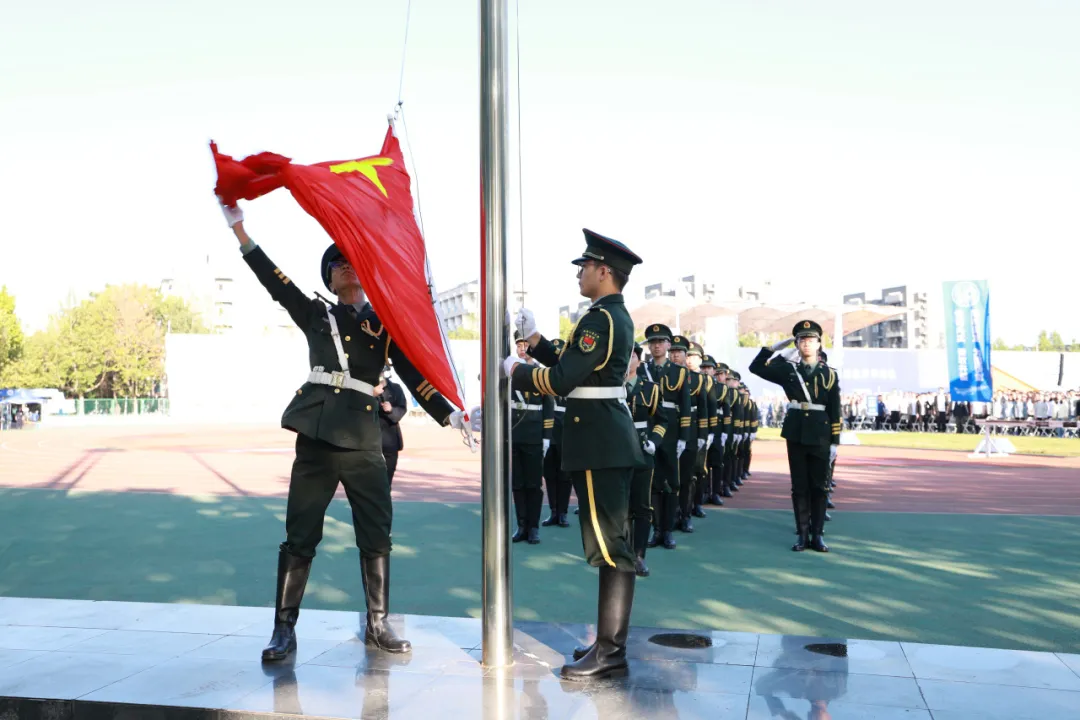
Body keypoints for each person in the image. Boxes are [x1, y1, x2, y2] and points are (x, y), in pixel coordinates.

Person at [218, 199, 468, 662]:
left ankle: (378, 624)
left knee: (376, 532)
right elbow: (275, 281)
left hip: (364, 439)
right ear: (329, 280)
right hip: (316, 435)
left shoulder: (384, 324)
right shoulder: (316, 314)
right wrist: (241, 232)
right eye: (338, 265)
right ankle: (284, 629)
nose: (347, 269)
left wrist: (449, 414)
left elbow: (414, 373)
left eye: (353, 262)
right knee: (300, 533)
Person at [507, 228, 644, 680]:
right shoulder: (608, 316)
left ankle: (611, 653)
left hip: (598, 440)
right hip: (602, 437)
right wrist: (535, 338)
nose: (579, 274)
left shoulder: (599, 319)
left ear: (604, 271)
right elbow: (573, 364)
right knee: (609, 544)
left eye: (584, 267)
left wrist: (516, 370)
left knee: (610, 547)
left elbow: (563, 380)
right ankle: (607, 644)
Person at [749, 320, 841, 553]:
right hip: (796, 432)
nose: (806, 343)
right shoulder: (788, 370)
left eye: (811, 340)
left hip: (821, 434)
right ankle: (802, 534)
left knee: (820, 487)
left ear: (819, 344)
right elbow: (756, 367)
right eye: (802, 340)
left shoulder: (830, 374)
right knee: (799, 486)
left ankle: (817, 535)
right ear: (797, 344)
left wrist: (835, 442)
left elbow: (835, 409)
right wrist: (774, 349)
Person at [638, 325, 690, 549]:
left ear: (668, 344)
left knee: (671, 481)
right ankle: (656, 528)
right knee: (651, 481)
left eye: (660, 341)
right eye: (652, 342)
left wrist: (684, 437)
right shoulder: (642, 369)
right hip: (647, 428)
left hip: (670, 431)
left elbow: (685, 406)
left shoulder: (679, 372)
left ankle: (667, 530)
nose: (656, 346)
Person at [625, 345, 669, 577]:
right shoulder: (609, 387)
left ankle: (639, 555)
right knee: (618, 507)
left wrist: (654, 441)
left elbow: (662, 420)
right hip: (615, 452)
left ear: (639, 361)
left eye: (632, 356)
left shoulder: (650, 389)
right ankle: (620, 553)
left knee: (642, 506)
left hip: (642, 451)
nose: (627, 360)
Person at [510, 332, 554, 544]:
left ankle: (534, 527)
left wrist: (546, 436)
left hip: (534, 435)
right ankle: (521, 526)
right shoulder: (509, 373)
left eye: (526, 344)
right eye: (519, 345)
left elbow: (548, 406)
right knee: (517, 484)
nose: (523, 349)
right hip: (514, 434)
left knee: (533, 485)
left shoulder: (541, 372)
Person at [541, 338, 574, 528]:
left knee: (565, 475)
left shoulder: (573, 377)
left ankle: (563, 512)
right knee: (549, 474)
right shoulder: (545, 376)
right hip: (548, 431)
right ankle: (553, 511)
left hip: (567, 432)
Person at [375, 372, 408, 486]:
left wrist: (391, 410)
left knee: (387, 479)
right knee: (369, 479)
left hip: (390, 440)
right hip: (370, 440)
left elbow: (402, 409)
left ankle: (385, 496)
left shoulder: (395, 388)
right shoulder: (367, 388)